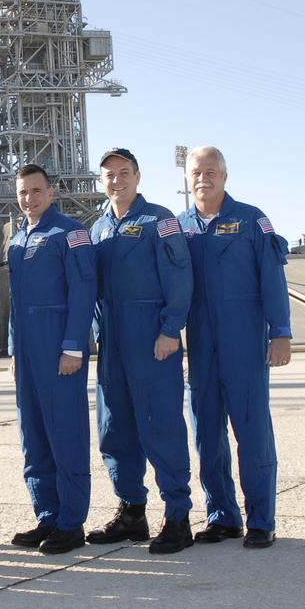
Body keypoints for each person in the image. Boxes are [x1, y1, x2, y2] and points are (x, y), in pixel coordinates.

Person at [178, 146, 292, 549]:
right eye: (196, 171)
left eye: (211, 170)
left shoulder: (250, 220)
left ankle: (261, 519)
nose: (203, 177)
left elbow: (272, 277)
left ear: (225, 176)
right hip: (201, 341)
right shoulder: (179, 227)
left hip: (244, 339)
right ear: (187, 177)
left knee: (252, 429)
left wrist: (280, 331)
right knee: (206, 429)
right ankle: (222, 515)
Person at [88, 148, 194, 554]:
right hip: (112, 341)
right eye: (109, 175)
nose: (116, 180)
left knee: (160, 424)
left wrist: (171, 329)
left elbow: (179, 276)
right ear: (102, 182)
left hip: (152, 337)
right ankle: (132, 511)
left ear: (137, 176)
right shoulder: (98, 228)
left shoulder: (160, 220)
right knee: (115, 428)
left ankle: (178, 516)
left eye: (124, 173)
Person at [8, 165, 96, 554]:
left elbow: (83, 290)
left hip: (59, 346)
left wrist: (74, 346)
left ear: (52, 191)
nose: (29, 198)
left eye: (36, 190)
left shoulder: (70, 233)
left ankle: (71, 522)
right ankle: (47, 514)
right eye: (23, 192)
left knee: (66, 434)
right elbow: (15, 301)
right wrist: (13, 349)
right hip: (27, 350)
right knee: (34, 436)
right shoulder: (18, 239)